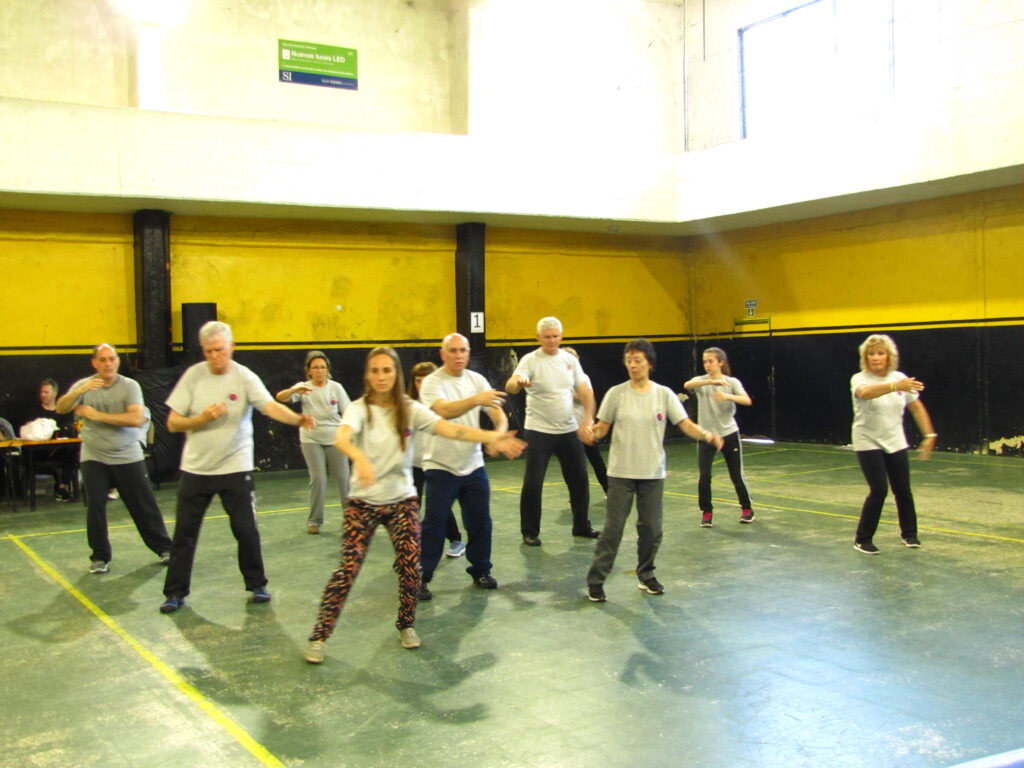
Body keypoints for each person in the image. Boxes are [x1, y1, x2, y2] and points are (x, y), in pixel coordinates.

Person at [304, 346, 524, 664]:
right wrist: (358, 457)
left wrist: (490, 437)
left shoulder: (410, 409)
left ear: (396, 374)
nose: (381, 377)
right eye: (375, 370)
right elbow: (342, 437)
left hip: (402, 501)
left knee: (411, 570)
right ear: (367, 375)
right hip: (363, 503)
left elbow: (449, 428)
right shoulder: (359, 408)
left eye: (387, 370)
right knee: (347, 570)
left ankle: (406, 625)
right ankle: (319, 637)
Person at [159, 321, 315, 613]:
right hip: (196, 469)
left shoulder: (244, 377)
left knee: (245, 529)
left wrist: (297, 419)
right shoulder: (193, 377)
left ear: (231, 347)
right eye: (208, 351)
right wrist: (201, 419)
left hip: (235, 466)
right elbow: (173, 422)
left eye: (219, 350)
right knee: (184, 533)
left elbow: (269, 406)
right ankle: (175, 592)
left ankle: (257, 584)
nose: (215, 356)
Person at [584, 339, 722, 602]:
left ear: (649, 363)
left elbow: (685, 423)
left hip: (652, 473)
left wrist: (706, 434)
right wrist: (593, 432)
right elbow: (602, 427)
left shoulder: (664, 394)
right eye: (629, 360)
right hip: (621, 473)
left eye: (638, 360)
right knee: (613, 530)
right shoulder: (616, 394)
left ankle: (646, 573)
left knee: (651, 528)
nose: (633, 365)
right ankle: (596, 580)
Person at [55, 344, 173, 574]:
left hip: (127, 453)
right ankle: (100, 556)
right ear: (94, 363)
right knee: (95, 506)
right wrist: (79, 392)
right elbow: (60, 408)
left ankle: (164, 548)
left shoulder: (129, 386)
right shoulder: (85, 385)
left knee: (143, 504)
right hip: (94, 455)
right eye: (102, 359)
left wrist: (95, 415)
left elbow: (136, 419)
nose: (108, 363)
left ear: (118, 361)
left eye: (112, 359)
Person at [418, 333, 509, 601]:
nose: (459, 355)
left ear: (468, 353)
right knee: (434, 525)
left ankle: (481, 570)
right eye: (453, 350)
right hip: (440, 466)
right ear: (442, 354)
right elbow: (444, 410)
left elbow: (497, 412)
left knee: (480, 521)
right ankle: (420, 578)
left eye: (463, 350)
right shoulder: (432, 383)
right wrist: (475, 400)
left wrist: (498, 434)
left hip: (473, 466)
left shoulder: (477, 380)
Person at [506, 317, 599, 546]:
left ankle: (581, 525)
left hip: (568, 429)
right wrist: (518, 382)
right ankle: (530, 531)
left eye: (556, 336)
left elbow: (585, 392)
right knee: (533, 481)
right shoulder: (530, 360)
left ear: (561, 336)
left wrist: (587, 421)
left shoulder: (569, 361)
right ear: (538, 338)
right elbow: (510, 386)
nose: (552, 341)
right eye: (547, 337)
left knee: (579, 479)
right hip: (538, 430)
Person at [850, 333, 936, 554]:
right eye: (871, 354)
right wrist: (894, 386)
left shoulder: (900, 378)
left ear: (889, 356)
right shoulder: (859, 379)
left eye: (880, 353)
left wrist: (929, 435)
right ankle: (862, 539)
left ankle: (910, 534)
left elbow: (916, 407)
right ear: (865, 358)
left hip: (895, 440)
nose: (875, 357)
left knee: (903, 489)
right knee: (879, 489)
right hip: (867, 441)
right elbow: (864, 393)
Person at [276, 351, 351, 534]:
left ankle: (351, 520)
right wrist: (293, 391)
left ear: (327, 370)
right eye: (315, 367)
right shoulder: (303, 387)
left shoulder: (336, 388)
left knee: (343, 478)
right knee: (318, 478)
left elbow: (348, 412)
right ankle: (314, 521)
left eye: (323, 367)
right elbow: (280, 397)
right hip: (311, 439)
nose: (319, 371)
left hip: (335, 438)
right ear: (309, 371)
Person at [683, 346, 755, 527]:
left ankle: (747, 508)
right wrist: (710, 382)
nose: (707, 365)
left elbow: (746, 400)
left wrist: (728, 397)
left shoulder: (732, 382)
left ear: (720, 362)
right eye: (704, 362)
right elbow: (687, 385)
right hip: (706, 436)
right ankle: (706, 512)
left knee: (736, 475)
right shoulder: (700, 381)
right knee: (704, 476)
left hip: (729, 434)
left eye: (711, 361)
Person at [408, 361, 465, 558]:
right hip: (414, 464)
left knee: (439, 505)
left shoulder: (444, 405)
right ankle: (411, 547)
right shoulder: (409, 405)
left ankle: (456, 539)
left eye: (426, 380)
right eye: (417, 381)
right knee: (411, 507)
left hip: (437, 464)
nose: (421, 384)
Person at [563, 346, 608, 496]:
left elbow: (587, 397)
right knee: (572, 466)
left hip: (585, 428)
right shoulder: (558, 380)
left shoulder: (583, 378)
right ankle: (575, 497)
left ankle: (609, 491)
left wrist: (567, 394)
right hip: (567, 430)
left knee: (596, 461)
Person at [24, 378, 76, 502]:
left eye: (46, 392)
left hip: (57, 450)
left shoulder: (62, 411)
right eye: (41, 392)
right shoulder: (34, 412)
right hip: (38, 451)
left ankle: (62, 488)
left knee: (72, 451)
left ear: (55, 394)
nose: (43, 395)